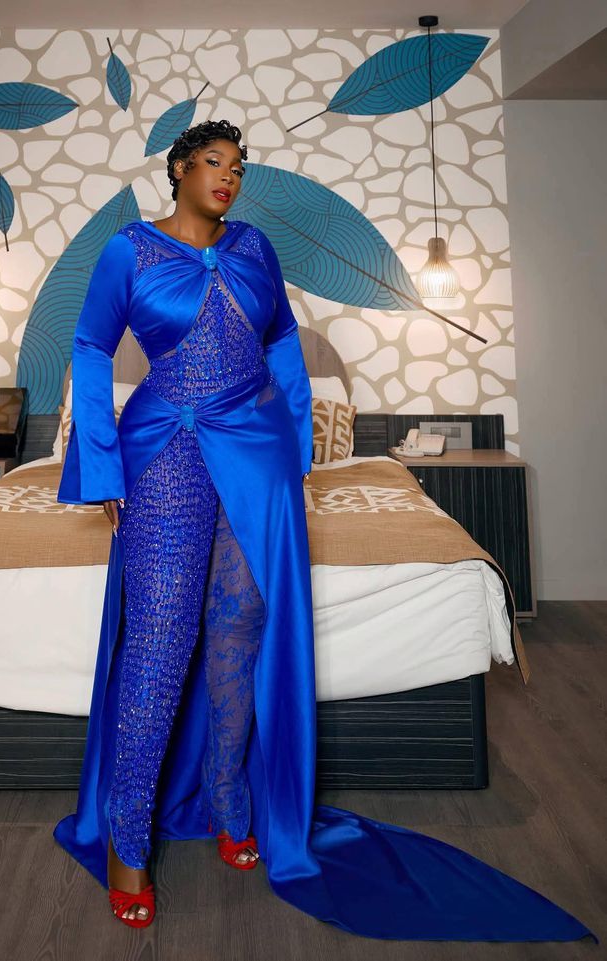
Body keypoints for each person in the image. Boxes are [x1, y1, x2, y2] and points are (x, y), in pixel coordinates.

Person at [53, 119, 596, 942]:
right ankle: (128, 839)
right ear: (179, 169)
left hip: (258, 447)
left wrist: (299, 446)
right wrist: (100, 465)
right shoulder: (129, 250)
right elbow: (91, 346)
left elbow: (280, 341)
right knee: (161, 636)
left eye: (239, 167)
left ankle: (231, 799)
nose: (229, 177)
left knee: (241, 618)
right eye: (214, 162)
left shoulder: (256, 248)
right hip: (165, 447)